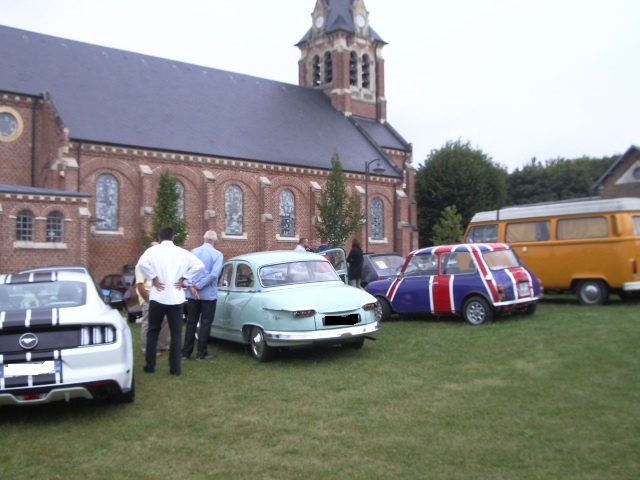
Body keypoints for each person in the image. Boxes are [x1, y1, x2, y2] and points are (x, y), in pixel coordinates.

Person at [137, 226, 204, 376]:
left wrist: (153, 277)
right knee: (176, 334)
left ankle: (150, 365)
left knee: (153, 331)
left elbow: (142, 264)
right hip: (175, 298)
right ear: (173, 237)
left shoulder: (152, 251)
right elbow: (200, 265)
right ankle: (175, 368)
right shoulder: (181, 252)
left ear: (159, 238)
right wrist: (184, 277)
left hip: (158, 297)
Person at [182, 230, 223, 361]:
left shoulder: (193, 252)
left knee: (191, 322)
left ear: (204, 239)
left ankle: (186, 353)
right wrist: (198, 286)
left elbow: (184, 272)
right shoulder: (217, 254)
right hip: (208, 295)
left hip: (192, 295)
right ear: (214, 241)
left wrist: (191, 286)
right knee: (205, 323)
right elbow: (213, 274)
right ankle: (201, 353)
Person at [136, 242, 170, 355]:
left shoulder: (156, 265)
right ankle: (147, 348)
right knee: (149, 323)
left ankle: (163, 344)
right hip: (148, 299)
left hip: (160, 298)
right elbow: (140, 285)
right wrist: (149, 300)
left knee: (164, 320)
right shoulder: (141, 265)